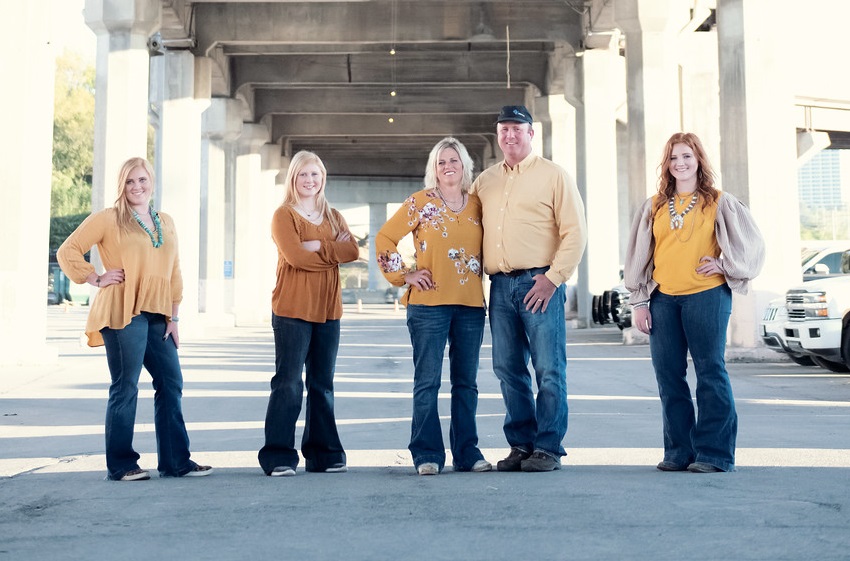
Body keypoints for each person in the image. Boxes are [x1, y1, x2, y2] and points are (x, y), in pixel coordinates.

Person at [57, 157, 212, 481]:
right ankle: (121, 465)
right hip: (123, 311)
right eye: (130, 181)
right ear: (122, 185)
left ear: (151, 181)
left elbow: (174, 270)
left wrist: (174, 316)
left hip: (158, 313)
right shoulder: (109, 218)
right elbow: (68, 250)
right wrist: (95, 277)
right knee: (126, 386)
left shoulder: (165, 221)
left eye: (142, 180)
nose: (137, 187)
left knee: (171, 383)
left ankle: (176, 462)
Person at [624, 132, 765, 473]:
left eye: (687, 156)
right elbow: (638, 256)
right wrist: (639, 302)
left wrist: (726, 265)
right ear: (667, 164)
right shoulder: (654, 205)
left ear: (699, 160)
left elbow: (752, 245)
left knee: (710, 372)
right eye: (674, 157)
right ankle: (678, 451)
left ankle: (714, 454)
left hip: (707, 296)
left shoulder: (719, 202)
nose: (680, 163)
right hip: (663, 299)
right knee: (668, 375)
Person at [471, 106, 587, 472]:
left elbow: (575, 233)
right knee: (507, 368)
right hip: (500, 286)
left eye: (517, 129)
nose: (510, 135)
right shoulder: (485, 181)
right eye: (504, 129)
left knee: (549, 368)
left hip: (540, 283)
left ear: (531, 133)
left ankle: (548, 447)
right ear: (498, 135)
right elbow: (467, 228)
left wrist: (553, 278)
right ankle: (521, 444)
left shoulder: (554, 176)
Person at [376, 137, 491, 476]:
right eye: (441, 162)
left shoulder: (479, 204)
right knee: (427, 382)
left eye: (453, 160)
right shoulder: (419, 202)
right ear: (434, 169)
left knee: (466, 383)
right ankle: (426, 454)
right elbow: (384, 239)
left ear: (464, 165)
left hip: (470, 305)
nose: (448, 166)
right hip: (428, 306)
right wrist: (405, 275)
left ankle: (467, 453)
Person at [258, 150, 359, 477]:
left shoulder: (334, 216)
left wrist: (315, 245)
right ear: (293, 178)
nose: (310, 180)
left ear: (322, 178)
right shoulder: (283, 216)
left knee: (322, 384)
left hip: (328, 310)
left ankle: (324, 454)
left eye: (315, 174)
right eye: (303, 174)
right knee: (288, 383)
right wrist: (331, 250)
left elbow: (352, 251)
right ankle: (278, 456)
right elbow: (296, 257)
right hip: (292, 309)